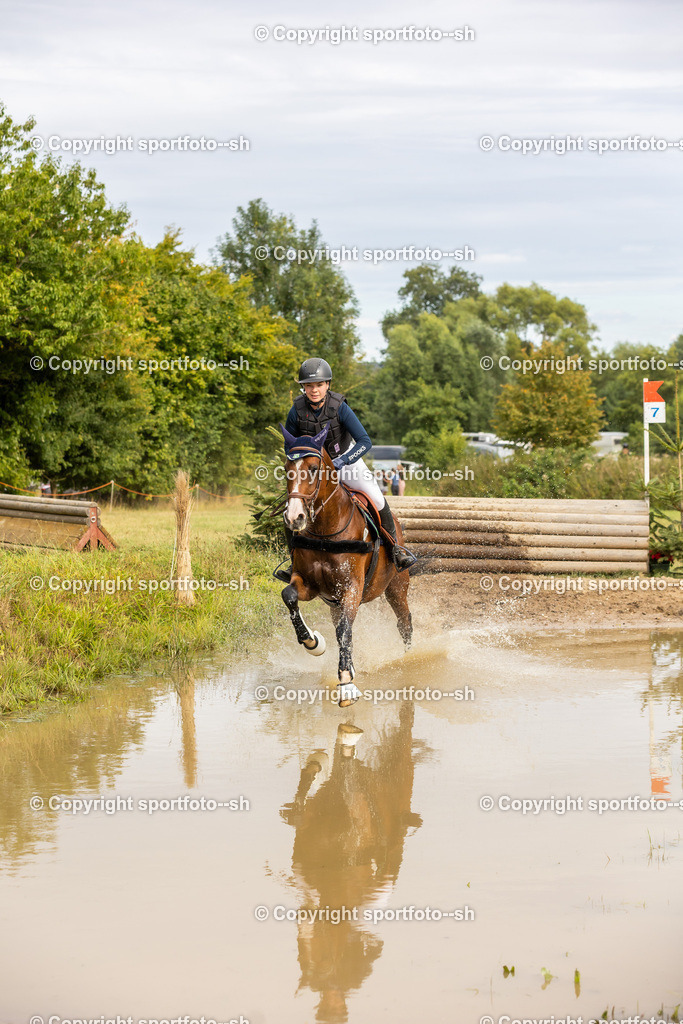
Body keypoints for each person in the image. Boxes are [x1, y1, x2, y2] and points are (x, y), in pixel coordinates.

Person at [274, 357, 416, 582]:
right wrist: (301, 465)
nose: (314, 390)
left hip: (346, 461)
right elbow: (289, 446)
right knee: (291, 507)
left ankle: (396, 551)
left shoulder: (339, 407)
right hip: (315, 469)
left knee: (377, 498)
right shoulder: (297, 411)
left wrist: (343, 461)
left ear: (327, 385)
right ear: (303, 387)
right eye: (309, 385)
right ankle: (294, 562)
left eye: (319, 385)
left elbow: (364, 441)